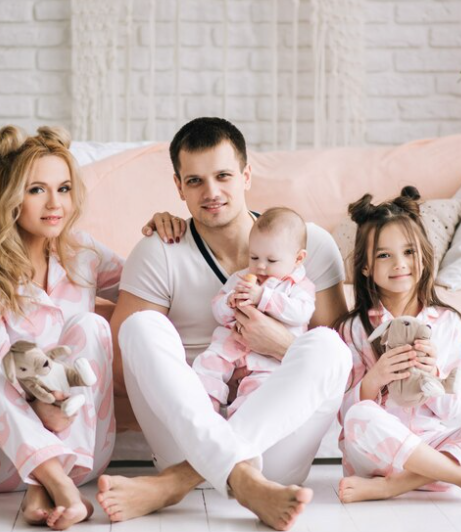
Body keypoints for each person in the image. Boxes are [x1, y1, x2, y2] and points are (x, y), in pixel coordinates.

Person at [96, 117, 351, 531]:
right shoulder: (159, 250)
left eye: (223, 176)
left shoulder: (309, 243)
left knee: (331, 346)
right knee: (138, 328)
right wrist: (204, 409)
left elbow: (343, 365)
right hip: (185, 428)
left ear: (246, 175)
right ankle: (236, 476)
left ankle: (178, 482)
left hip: (276, 445)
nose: (211, 193)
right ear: (178, 187)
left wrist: (281, 343)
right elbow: (124, 368)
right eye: (194, 181)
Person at [0, 125, 123, 530]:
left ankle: (46, 485)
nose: (55, 203)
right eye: (37, 189)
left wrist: (167, 233)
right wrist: (42, 409)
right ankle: (62, 487)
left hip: (80, 451)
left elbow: (148, 282)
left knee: (90, 324)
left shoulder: (83, 255)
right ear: (10, 199)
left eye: (64, 188)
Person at [333, 188, 461, 507]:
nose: (399, 264)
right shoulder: (353, 328)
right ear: (365, 266)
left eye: (409, 252)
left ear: (424, 254)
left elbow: (453, 409)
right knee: (359, 415)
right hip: (373, 455)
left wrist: (434, 374)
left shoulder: (449, 323)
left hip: (430, 444)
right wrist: (374, 379)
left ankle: (394, 487)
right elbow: (343, 414)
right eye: (383, 255)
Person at [193, 207, 316, 417]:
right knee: (204, 367)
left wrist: (263, 297)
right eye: (254, 257)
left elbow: (301, 313)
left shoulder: (299, 287)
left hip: (268, 359)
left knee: (258, 394)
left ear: (298, 259)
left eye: (271, 260)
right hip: (230, 345)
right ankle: (205, 417)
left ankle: (240, 428)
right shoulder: (240, 278)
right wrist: (229, 302)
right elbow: (217, 310)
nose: (260, 266)